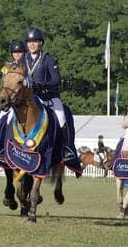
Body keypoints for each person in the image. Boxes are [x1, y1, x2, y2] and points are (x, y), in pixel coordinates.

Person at [23, 28, 75, 162]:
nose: (32, 44)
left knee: (61, 116)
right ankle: (2, 148)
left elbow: (57, 79)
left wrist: (43, 84)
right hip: (28, 98)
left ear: (41, 43)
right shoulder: (23, 60)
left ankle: (66, 149)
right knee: (9, 116)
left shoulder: (48, 59)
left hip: (48, 96)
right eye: (29, 42)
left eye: (35, 41)